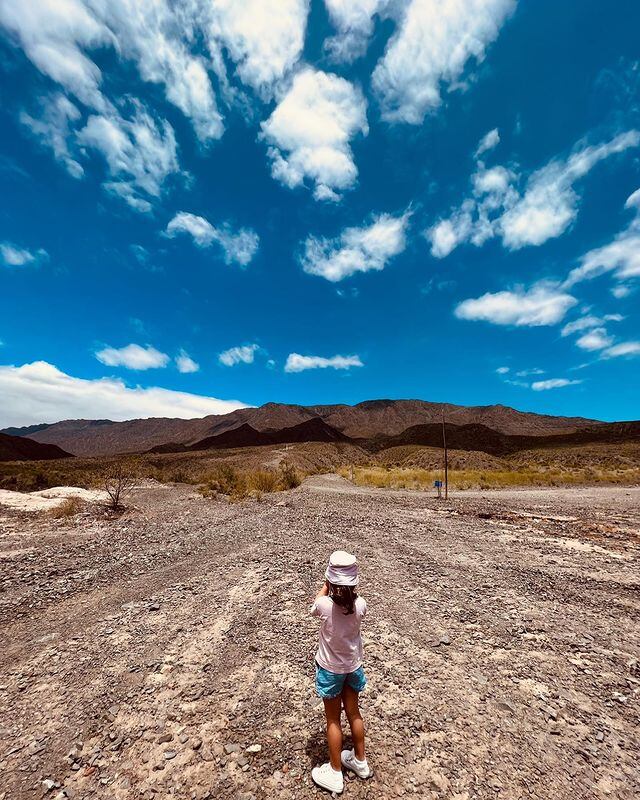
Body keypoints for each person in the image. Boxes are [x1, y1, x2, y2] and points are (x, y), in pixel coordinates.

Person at [310, 550, 372, 794]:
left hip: (330, 669)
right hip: (353, 666)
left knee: (333, 720)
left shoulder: (324, 605)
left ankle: (335, 772)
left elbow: (314, 605)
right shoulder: (361, 604)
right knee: (354, 713)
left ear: (331, 580)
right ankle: (361, 761)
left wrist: (326, 586)